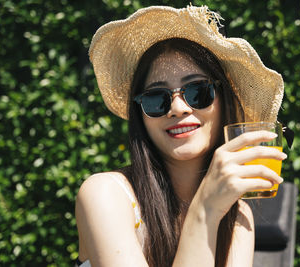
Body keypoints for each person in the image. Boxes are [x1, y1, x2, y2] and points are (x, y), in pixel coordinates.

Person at [75, 5, 286, 267]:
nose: (178, 108)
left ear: (224, 102)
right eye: (156, 99)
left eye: (198, 92)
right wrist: (205, 210)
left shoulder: (237, 213)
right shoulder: (107, 195)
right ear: (140, 114)